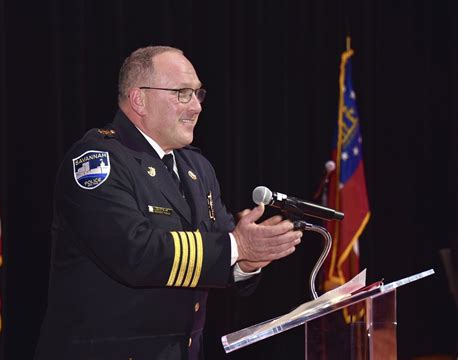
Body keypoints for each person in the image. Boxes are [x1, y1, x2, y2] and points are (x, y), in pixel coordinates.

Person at [34, 45, 302, 360]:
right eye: (182, 93)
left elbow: (220, 252)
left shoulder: (196, 168)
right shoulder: (97, 161)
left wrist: (248, 261)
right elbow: (134, 254)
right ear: (139, 99)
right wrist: (236, 247)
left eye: (198, 94)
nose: (197, 107)